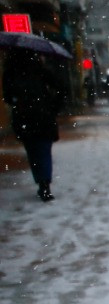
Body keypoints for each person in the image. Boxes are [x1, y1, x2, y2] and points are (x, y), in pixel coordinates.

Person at [4, 50, 69, 202]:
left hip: (24, 117)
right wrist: (53, 106)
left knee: (32, 150)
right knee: (44, 150)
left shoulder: (11, 73)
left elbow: (8, 96)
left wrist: (18, 102)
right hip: (43, 115)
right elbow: (61, 88)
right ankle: (45, 184)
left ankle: (41, 182)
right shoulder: (40, 71)